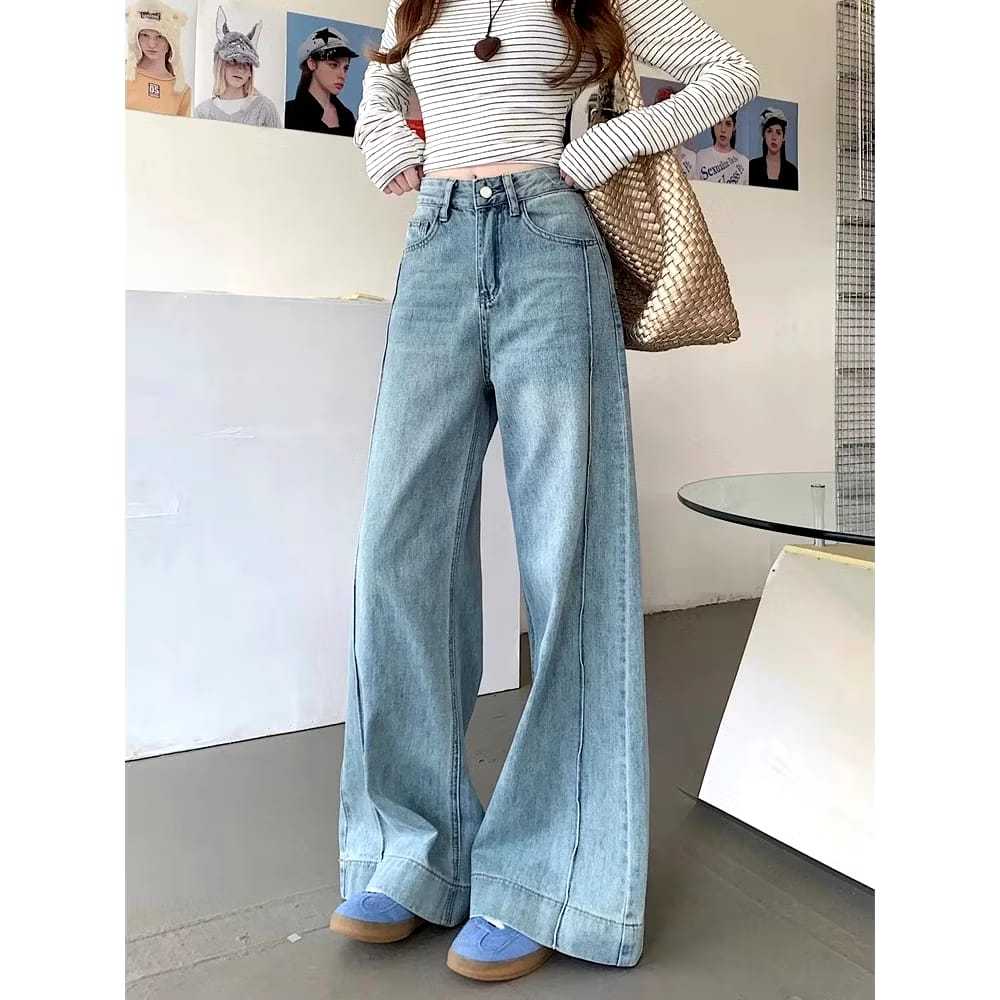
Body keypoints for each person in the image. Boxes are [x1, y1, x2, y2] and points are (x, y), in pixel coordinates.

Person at [330, 0, 759, 982]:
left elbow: (730, 72)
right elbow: (383, 84)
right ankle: (411, 851)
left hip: (549, 246)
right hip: (437, 244)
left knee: (569, 554)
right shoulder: (418, 2)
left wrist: (604, 147)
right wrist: (383, 137)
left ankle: (547, 875)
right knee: (397, 552)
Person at [193, 7, 281, 128]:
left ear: (250, 72)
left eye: (246, 63)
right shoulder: (202, 112)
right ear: (220, 64)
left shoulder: (265, 109)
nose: (240, 69)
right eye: (233, 61)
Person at [284, 27, 359, 135]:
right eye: (333, 65)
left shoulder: (347, 118)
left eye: (345, 68)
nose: (342, 75)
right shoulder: (289, 113)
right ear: (312, 63)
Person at [125, 0, 192, 117]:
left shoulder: (182, 91)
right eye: (145, 35)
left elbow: (183, 128)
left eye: (160, 36)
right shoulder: (124, 76)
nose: (152, 44)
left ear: (171, 41)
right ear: (135, 37)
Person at [749, 106, 799, 190]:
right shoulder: (752, 167)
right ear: (764, 135)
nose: (774, 137)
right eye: (769, 131)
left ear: (783, 138)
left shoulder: (792, 171)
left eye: (778, 133)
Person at [695, 110, 749, 184]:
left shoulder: (744, 162)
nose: (723, 130)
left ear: (734, 127)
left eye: (728, 124)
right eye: (719, 123)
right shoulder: (701, 156)